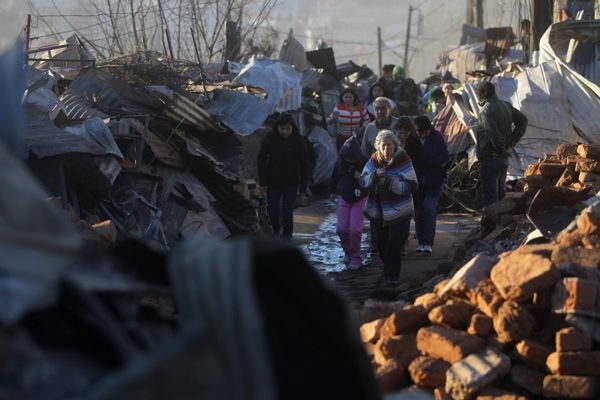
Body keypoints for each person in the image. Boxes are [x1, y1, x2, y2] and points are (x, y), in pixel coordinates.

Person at [360, 130, 418, 287]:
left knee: (395, 242)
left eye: (389, 145)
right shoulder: (374, 160)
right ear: (378, 146)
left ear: (395, 145)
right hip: (378, 210)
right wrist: (374, 176)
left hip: (399, 210)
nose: (386, 149)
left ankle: (392, 276)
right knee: (379, 242)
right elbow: (363, 180)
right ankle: (387, 270)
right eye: (383, 145)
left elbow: (412, 185)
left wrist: (390, 183)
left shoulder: (403, 159)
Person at [475, 81, 528, 207]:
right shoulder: (505, 105)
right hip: (502, 159)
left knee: (491, 198)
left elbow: (493, 134)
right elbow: (523, 121)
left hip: (491, 158)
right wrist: (510, 144)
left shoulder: (486, 110)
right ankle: (502, 224)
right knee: (501, 196)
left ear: (481, 95)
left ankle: (492, 226)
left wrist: (503, 148)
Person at [258, 113, 309, 239]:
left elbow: (304, 165)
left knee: (287, 213)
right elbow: (261, 158)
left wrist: (302, 188)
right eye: (282, 129)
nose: (285, 132)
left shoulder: (299, 141)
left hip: (291, 182)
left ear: (292, 128)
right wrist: (263, 181)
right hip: (273, 181)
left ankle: (287, 239)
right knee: (273, 211)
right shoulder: (270, 138)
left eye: (288, 129)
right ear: (277, 128)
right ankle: (276, 230)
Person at [330, 135, 368, 269]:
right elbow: (334, 177)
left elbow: (370, 182)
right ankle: (348, 251)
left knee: (355, 230)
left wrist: (361, 179)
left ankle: (356, 257)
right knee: (341, 229)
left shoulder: (364, 162)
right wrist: (332, 191)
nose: (349, 160)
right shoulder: (340, 162)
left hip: (360, 198)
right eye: (347, 158)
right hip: (344, 197)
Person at [412, 116, 449, 254]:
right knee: (418, 213)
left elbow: (444, 156)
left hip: (434, 180)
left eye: (424, 132)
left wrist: (428, 164)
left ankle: (428, 243)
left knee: (429, 210)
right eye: (419, 132)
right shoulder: (413, 139)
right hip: (417, 182)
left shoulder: (437, 137)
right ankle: (420, 241)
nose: (422, 135)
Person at [392, 117, 425, 256]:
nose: (402, 136)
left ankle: (403, 243)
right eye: (400, 133)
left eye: (405, 133)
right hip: (392, 184)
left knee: (405, 216)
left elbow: (420, 164)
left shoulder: (415, 144)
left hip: (408, 185)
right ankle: (394, 243)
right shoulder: (389, 143)